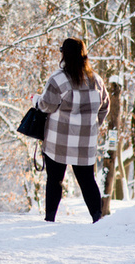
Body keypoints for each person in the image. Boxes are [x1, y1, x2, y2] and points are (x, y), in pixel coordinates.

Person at [33, 37, 110, 223]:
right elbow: (105, 106)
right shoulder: (96, 80)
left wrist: (35, 99)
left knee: (55, 180)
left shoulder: (58, 79)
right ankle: (98, 218)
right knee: (87, 181)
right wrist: (91, 126)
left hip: (58, 140)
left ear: (64, 55)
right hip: (85, 141)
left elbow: (46, 105)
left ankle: (50, 218)